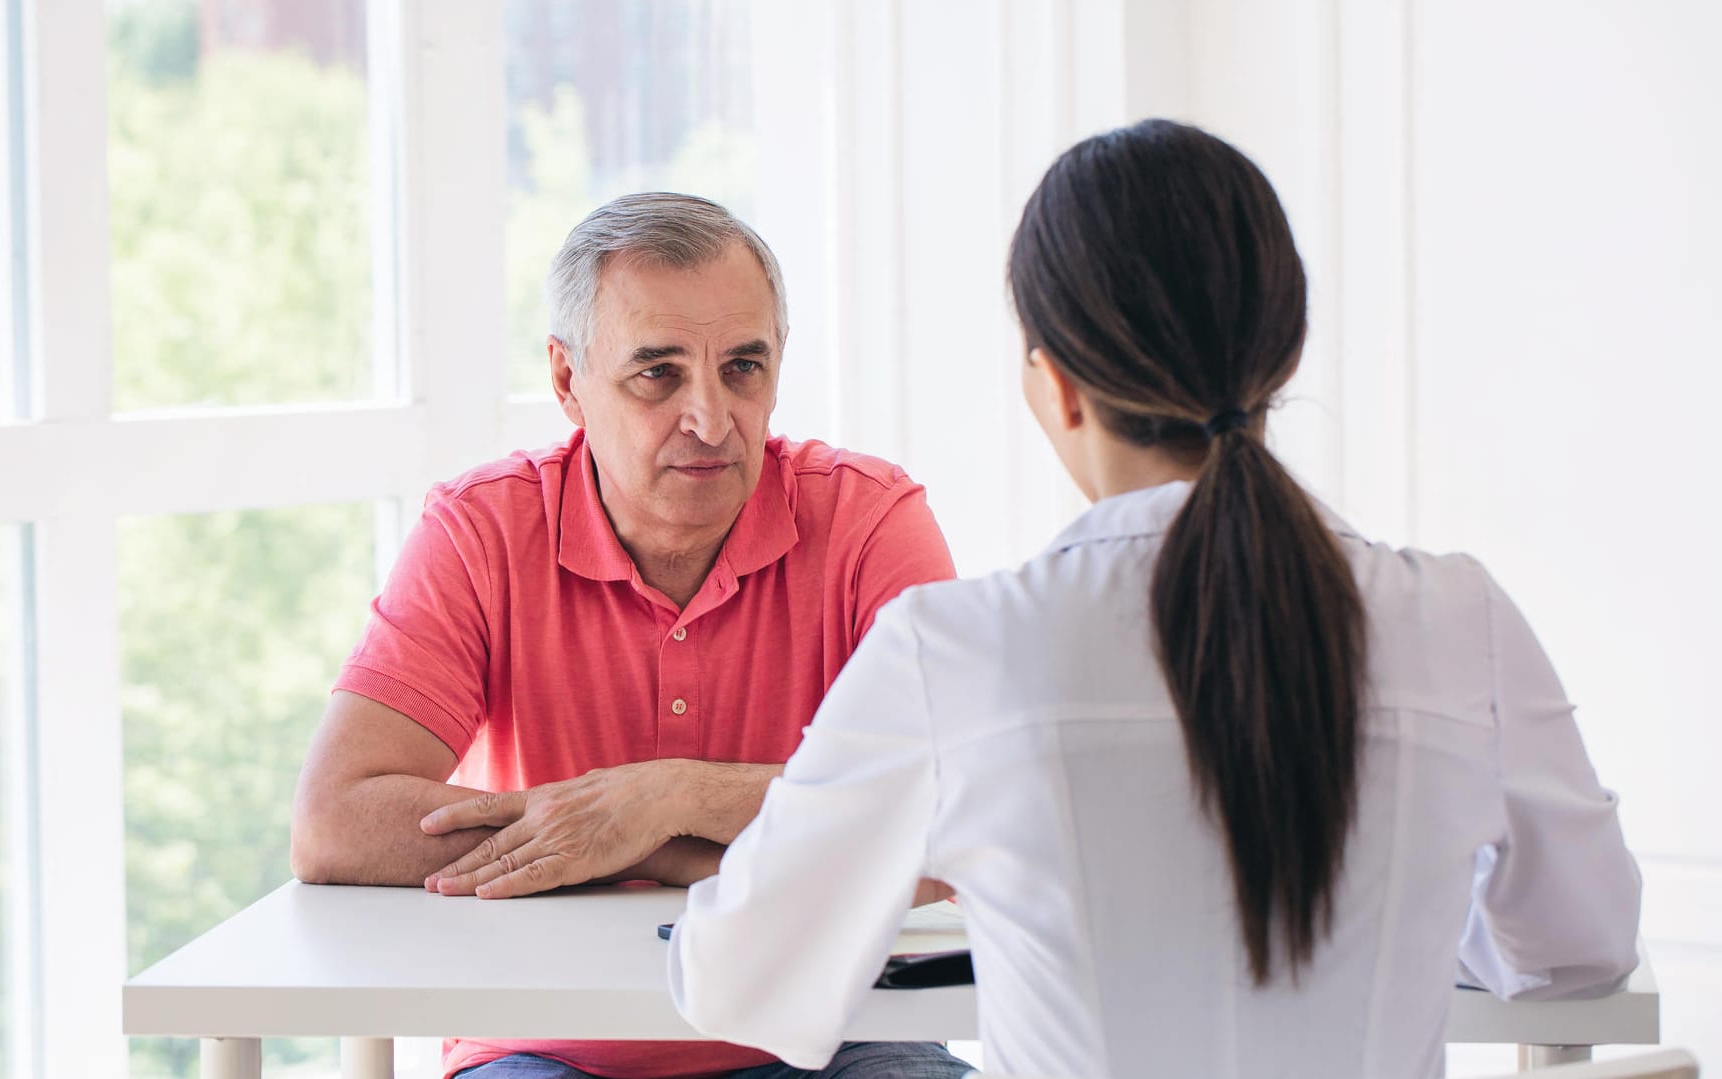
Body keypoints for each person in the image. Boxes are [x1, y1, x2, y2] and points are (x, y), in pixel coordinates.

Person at [666, 120, 1642, 1078]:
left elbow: (737, 980)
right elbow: (1579, 945)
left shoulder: (955, 649)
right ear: (1285, 356)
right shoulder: (1460, 618)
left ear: (1056, 386)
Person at [289, 193, 971, 1078]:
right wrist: (648, 839)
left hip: (834, 1037)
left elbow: (956, 809)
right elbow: (336, 820)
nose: (712, 417)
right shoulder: (481, 529)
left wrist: (673, 796)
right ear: (568, 381)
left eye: (742, 367)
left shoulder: (869, 518)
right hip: (544, 1048)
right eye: (658, 373)